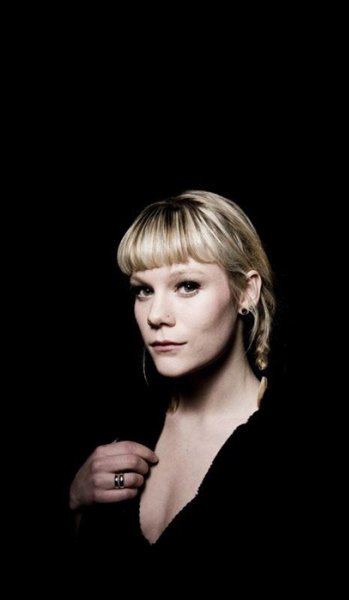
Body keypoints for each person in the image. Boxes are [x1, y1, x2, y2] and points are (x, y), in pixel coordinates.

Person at [70, 190, 298, 587]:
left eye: (187, 285)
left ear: (246, 292)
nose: (156, 315)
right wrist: (75, 502)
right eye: (143, 290)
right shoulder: (122, 426)